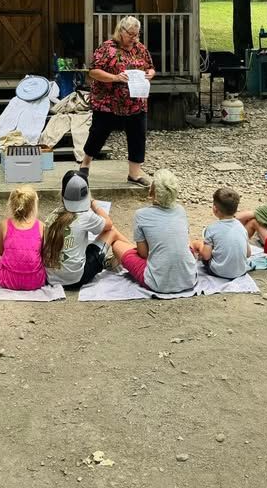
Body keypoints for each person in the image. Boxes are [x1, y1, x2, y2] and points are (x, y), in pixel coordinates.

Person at [79, 15, 156, 187]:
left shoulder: (140, 48)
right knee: (98, 133)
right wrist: (115, 77)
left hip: (136, 101)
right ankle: (85, 165)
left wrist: (150, 74)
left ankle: (134, 174)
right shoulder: (107, 48)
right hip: (108, 101)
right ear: (121, 31)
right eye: (131, 34)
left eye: (137, 34)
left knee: (138, 136)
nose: (134, 38)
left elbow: (150, 67)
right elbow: (93, 71)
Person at [111, 169, 197, 293]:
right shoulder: (180, 210)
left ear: (153, 191)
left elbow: (143, 254)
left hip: (158, 283)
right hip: (189, 279)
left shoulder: (141, 215)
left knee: (118, 245)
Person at [43, 170, 125, 290]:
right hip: (76, 279)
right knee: (111, 232)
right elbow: (108, 224)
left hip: (52, 278)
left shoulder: (53, 215)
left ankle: (132, 252)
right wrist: (94, 204)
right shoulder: (85, 216)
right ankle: (133, 252)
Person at [0, 186, 46, 291]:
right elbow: (41, 253)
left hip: (8, 278)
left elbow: (0, 252)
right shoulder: (40, 226)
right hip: (35, 280)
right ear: (33, 206)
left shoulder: (5, 224)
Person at [191, 186, 250, 280]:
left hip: (219, 272)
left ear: (215, 209)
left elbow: (206, 256)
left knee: (198, 244)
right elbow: (248, 254)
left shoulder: (211, 228)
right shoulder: (241, 227)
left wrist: (201, 249)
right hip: (241, 271)